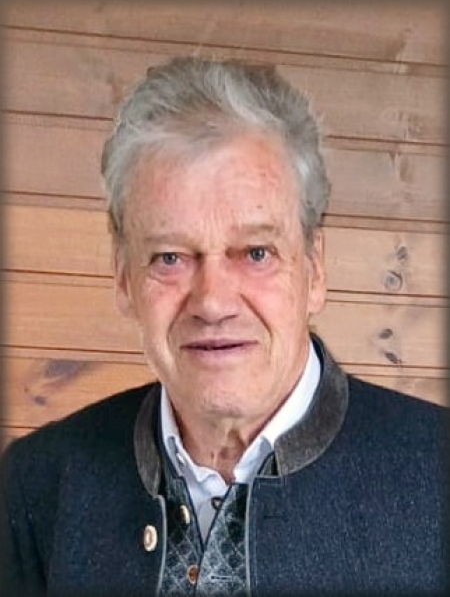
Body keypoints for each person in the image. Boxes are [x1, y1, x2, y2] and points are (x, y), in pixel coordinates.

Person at [0, 57, 447, 597]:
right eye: (169, 257)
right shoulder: (37, 486)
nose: (212, 302)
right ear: (123, 277)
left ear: (315, 268)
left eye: (256, 252)